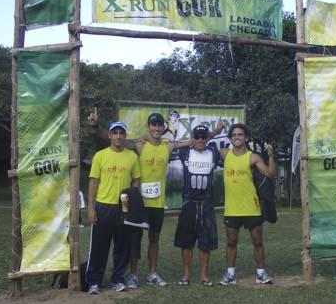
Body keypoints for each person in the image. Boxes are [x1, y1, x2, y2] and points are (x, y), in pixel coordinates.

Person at [87, 109, 224, 288]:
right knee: (134, 240)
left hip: (157, 203)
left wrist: (215, 132)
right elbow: (112, 137)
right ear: (148, 126)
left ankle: (152, 274)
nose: (157, 128)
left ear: (163, 127)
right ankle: (134, 276)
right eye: (154, 124)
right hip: (139, 203)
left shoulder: (168, 146)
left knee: (154, 239)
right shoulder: (139, 145)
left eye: (160, 125)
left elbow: (196, 141)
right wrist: (96, 126)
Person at [85, 121, 141, 294]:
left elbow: (136, 180)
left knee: (122, 246)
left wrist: (132, 197)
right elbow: (93, 182)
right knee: (99, 247)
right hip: (103, 206)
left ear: (125, 136)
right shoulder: (100, 156)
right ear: (109, 135)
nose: (118, 136)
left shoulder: (131, 156)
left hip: (123, 207)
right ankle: (94, 281)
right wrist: (91, 208)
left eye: (121, 133)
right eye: (115, 133)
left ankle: (117, 279)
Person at [218, 123, 276, 286]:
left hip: (251, 207)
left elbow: (270, 173)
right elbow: (200, 143)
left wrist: (271, 156)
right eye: (234, 135)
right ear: (231, 138)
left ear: (246, 138)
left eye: (240, 134)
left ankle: (261, 274)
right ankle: (230, 275)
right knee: (231, 242)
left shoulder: (253, 157)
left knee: (257, 241)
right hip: (232, 208)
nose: (237, 137)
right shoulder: (224, 154)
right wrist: (215, 131)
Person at [174, 125, 221, 286]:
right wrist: (195, 140)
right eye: (197, 137)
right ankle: (186, 275)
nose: (201, 140)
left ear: (207, 138)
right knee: (187, 241)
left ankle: (204, 275)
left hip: (207, 203)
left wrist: (211, 135)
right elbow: (175, 145)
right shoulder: (185, 152)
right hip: (189, 202)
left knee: (205, 240)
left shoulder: (214, 152)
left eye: (203, 137)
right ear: (193, 138)